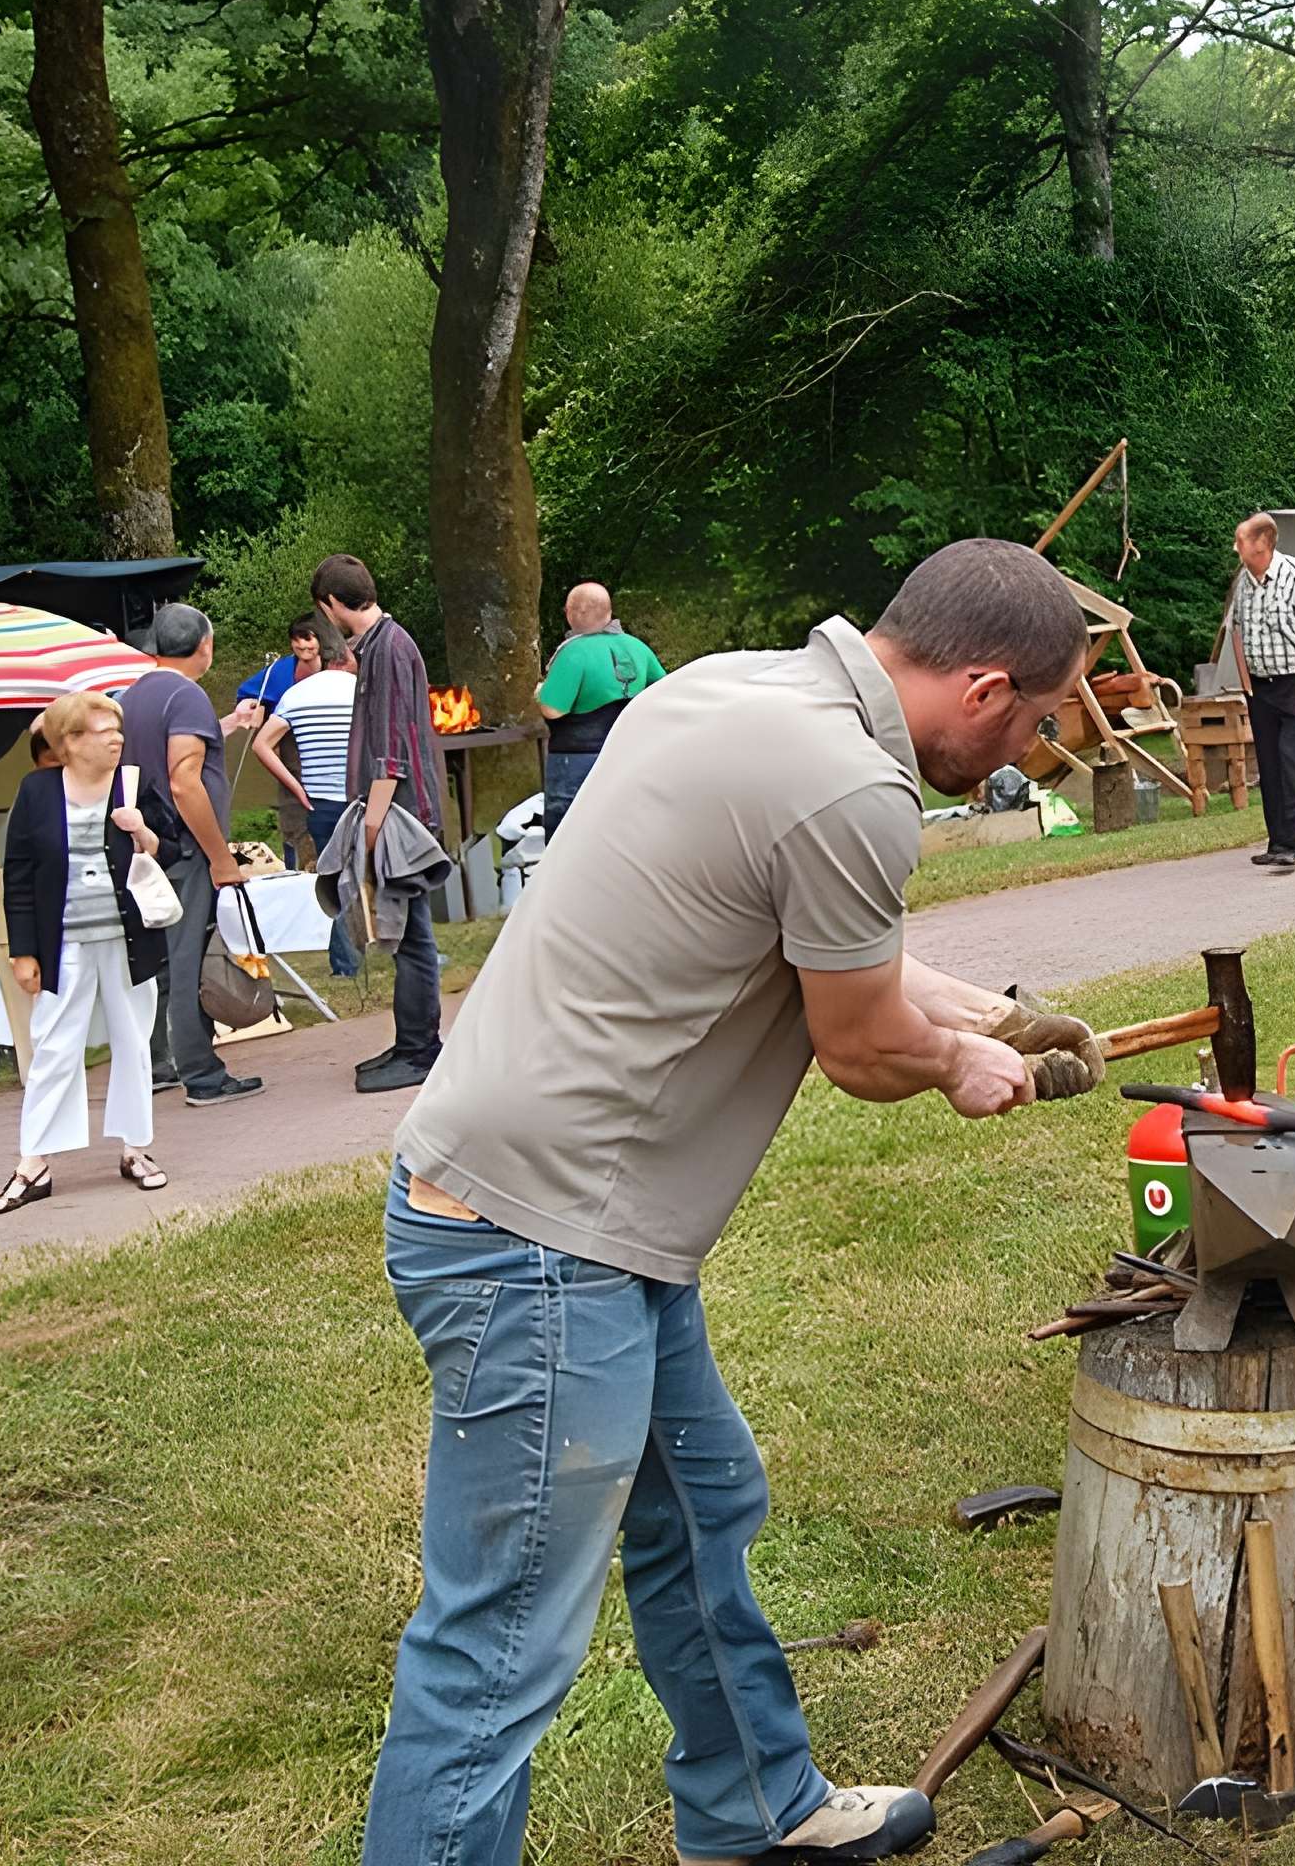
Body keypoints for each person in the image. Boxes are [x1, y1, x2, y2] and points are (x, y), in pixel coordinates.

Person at [362, 538, 1099, 1866]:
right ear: (984, 685)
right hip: (537, 1240)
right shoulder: (852, 789)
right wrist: (963, 1067)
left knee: (701, 1505)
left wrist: (1000, 1012)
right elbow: (863, 1042)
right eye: (1035, 723)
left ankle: (758, 1810)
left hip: (588, 1223)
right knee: (500, 1642)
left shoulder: (733, 691)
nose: (1022, 754)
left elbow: (820, 937)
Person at [0, 690, 170, 1214]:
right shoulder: (37, 791)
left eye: (117, 729)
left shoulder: (134, 784)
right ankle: (34, 1162)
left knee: (134, 1041)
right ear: (70, 741)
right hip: (63, 943)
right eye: (102, 729)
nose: (116, 737)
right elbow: (18, 875)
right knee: (53, 1047)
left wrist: (144, 834)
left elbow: (174, 847)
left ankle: (135, 1149)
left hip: (127, 940)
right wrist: (22, 951)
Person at [118, 603, 261, 1107]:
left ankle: (159, 1062)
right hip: (184, 847)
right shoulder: (188, 694)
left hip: (144, 844)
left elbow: (163, 754)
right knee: (185, 958)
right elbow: (184, 779)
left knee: (157, 959)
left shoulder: (130, 695)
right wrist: (220, 856)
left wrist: (225, 724)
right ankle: (199, 1071)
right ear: (205, 646)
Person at [313, 555, 445, 1093]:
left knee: (411, 939)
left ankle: (421, 1051)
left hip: (401, 816)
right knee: (407, 936)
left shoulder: (388, 649)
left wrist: (372, 825)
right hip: (397, 810)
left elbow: (391, 752)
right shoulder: (380, 646)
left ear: (333, 605)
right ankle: (412, 1040)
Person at [251, 624, 362, 978]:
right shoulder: (361, 691)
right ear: (345, 658)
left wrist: (296, 786)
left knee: (332, 880)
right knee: (380, 875)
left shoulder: (296, 695)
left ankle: (345, 965)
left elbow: (261, 745)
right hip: (360, 799)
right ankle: (397, 951)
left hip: (319, 803)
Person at [1229, 512, 1295, 872]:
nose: (1237, 548)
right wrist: (1246, 685)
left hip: (1294, 681)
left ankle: (1291, 845)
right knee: (1269, 765)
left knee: (1289, 760)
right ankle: (1276, 843)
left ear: (1263, 544)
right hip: (1260, 687)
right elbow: (1236, 630)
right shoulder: (1243, 580)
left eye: (1243, 542)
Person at [535, 581, 667, 842]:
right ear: (608, 611)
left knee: (568, 836)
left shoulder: (573, 653)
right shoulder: (636, 647)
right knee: (622, 830)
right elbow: (663, 692)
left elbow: (552, 710)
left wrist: (540, 692)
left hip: (577, 760)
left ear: (575, 613)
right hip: (628, 756)